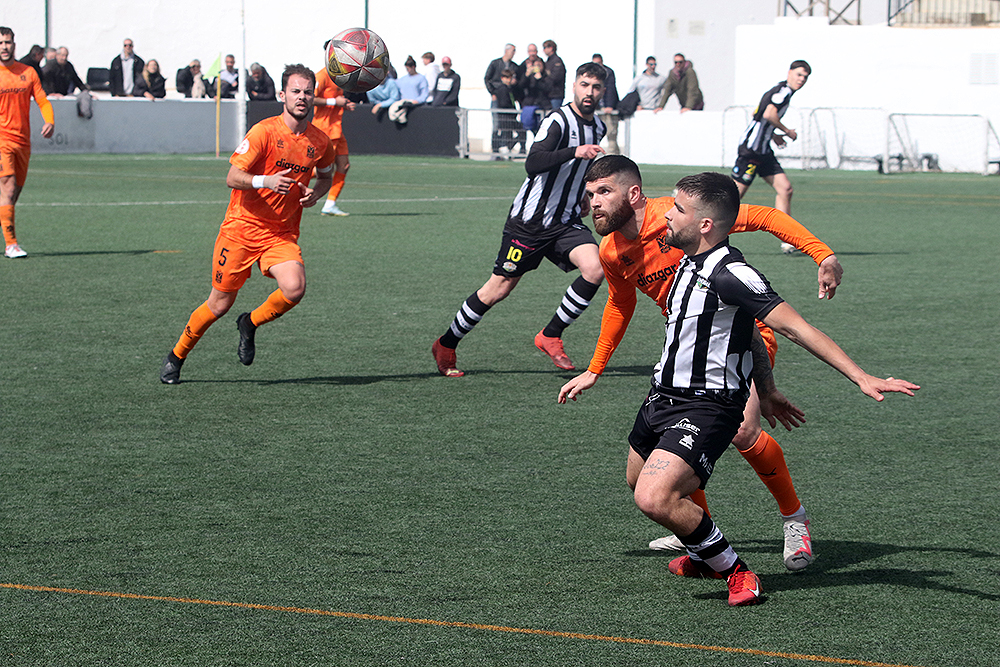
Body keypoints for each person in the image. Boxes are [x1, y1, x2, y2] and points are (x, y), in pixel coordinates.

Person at [559, 170, 918, 606]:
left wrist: (860, 375)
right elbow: (640, 306)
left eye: (676, 209)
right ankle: (700, 547)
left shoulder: (730, 273)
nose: (665, 215)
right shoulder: (680, 259)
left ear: (704, 224)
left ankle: (744, 562)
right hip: (664, 393)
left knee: (665, 490)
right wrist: (768, 387)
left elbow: (794, 326)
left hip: (710, 397)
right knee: (640, 482)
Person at [160, 64, 336, 385]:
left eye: (307, 92)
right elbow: (232, 176)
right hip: (241, 229)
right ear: (282, 95)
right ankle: (177, 355)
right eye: (295, 91)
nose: (302, 97)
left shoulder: (320, 142)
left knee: (295, 288)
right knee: (219, 305)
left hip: (280, 233)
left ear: (314, 97)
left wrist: (316, 193)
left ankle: (250, 323)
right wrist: (265, 180)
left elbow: (326, 175)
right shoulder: (263, 132)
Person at [431, 62, 607, 377]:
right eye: (584, 85)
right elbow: (533, 163)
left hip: (565, 221)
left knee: (596, 268)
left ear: (603, 91)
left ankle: (550, 335)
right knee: (498, 289)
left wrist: (582, 193)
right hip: (529, 223)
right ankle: (446, 343)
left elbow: (581, 169)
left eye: (595, 87)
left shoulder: (598, 128)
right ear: (574, 86)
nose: (589, 92)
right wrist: (574, 151)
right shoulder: (558, 121)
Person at [733, 60, 811, 253]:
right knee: (731, 199)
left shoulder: (780, 91)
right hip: (751, 150)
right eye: (799, 74)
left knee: (785, 189)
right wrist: (787, 131)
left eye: (805, 77)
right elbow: (769, 114)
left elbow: (761, 116)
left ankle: (787, 238)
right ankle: (692, 211)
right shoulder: (783, 92)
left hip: (764, 150)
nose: (802, 80)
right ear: (789, 72)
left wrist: (773, 135)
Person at [0, 27, 55, 259]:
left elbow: (42, 100)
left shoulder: (28, 72)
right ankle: (11, 245)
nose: (4, 47)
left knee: (15, 192)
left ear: (14, 44)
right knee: (8, 187)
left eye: (7, 42)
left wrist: (50, 121)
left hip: (23, 142)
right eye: (1, 43)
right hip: (1, 140)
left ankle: (6, 229)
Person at [313, 44, 356, 217]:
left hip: (337, 128)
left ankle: (330, 204)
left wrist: (344, 104)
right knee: (320, 168)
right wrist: (334, 102)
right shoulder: (322, 75)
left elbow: (336, 100)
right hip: (324, 129)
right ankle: (288, 178)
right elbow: (310, 98)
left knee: (344, 165)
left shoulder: (341, 76)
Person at [516, 43, 548, 134]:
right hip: (527, 100)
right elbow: (520, 85)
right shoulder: (523, 65)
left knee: (539, 127)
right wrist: (527, 74)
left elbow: (547, 85)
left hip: (540, 101)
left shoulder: (542, 63)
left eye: (534, 51)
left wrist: (539, 77)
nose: (532, 53)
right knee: (525, 124)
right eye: (530, 51)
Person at [592, 54, 620, 154]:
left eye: (599, 63)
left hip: (607, 109)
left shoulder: (608, 73)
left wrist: (609, 105)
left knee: (611, 132)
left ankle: (614, 155)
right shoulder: (590, 73)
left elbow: (610, 89)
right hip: (596, 108)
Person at [491, 68, 522, 157]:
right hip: (506, 116)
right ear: (502, 78)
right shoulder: (502, 89)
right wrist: (511, 110)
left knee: (519, 132)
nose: (509, 80)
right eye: (507, 77)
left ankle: (507, 148)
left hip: (511, 116)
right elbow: (504, 103)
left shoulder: (510, 89)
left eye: (510, 77)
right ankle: (502, 150)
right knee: (506, 134)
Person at [542, 40, 566, 109]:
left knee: (555, 113)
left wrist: (545, 80)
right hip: (548, 95)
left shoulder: (557, 61)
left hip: (555, 95)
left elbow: (555, 77)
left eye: (545, 48)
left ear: (551, 48)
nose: (543, 50)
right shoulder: (549, 61)